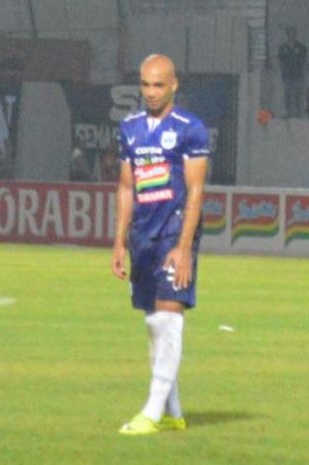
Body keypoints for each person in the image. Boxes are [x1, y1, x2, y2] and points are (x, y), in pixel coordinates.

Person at [112, 54, 210, 435]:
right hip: (142, 234)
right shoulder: (130, 128)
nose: (151, 92)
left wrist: (184, 246)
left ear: (174, 85)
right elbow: (125, 186)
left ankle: (151, 412)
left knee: (169, 315)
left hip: (174, 232)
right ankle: (172, 410)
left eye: (158, 85)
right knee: (154, 321)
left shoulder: (190, 129)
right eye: (145, 84)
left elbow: (197, 189)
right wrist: (119, 242)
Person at [277, 26, 307, 117]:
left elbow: (303, 61)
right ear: (287, 35)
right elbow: (280, 61)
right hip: (287, 75)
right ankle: (288, 111)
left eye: (294, 33)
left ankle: (298, 112)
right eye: (290, 33)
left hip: (298, 74)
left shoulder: (301, 47)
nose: (292, 36)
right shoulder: (283, 47)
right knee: (287, 94)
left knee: (297, 94)